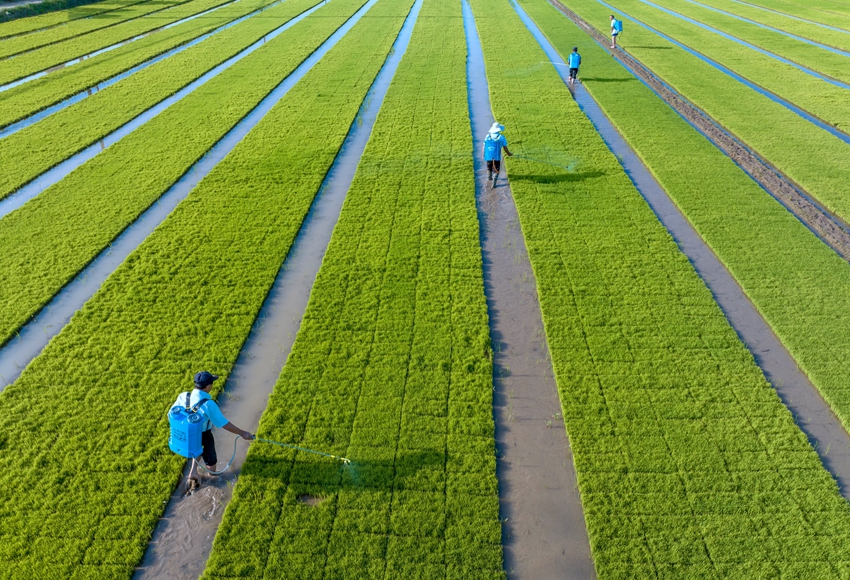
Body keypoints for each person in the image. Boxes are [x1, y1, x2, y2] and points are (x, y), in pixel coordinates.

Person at [177, 371, 254, 493]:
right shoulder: (208, 404)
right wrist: (242, 433)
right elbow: (224, 424)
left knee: (196, 449)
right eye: (212, 383)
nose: (212, 385)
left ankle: (193, 472)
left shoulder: (184, 396)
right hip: (203, 433)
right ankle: (211, 479)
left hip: (187, 432)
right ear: (207, 386)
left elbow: (171, 414)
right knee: (211, 460)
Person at [483, 122, 513, 186]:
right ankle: (494, 184)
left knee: (489, 168)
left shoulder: (487, 136)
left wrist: (483, 155)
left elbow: (484, 147)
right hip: (496, 158)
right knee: (496, 170)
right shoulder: (501, 137)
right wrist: (509, 153)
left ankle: (489, 179)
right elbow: (505, 148)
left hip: (488, 157)